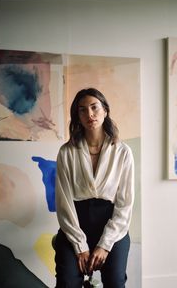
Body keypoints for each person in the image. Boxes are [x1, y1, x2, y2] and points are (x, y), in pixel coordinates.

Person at [54, 88, 135, 288]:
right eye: (82, 110)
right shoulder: (66, 152)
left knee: (115, 282)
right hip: (75, 226)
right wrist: (80, 246)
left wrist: (105, 245)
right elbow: (63, 202)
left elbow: (125, 204)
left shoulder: (123, 152)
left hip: (112, 228)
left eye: (94, 107)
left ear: (105, 110)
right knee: (67, 283)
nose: (89, 114)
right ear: (77, 117)